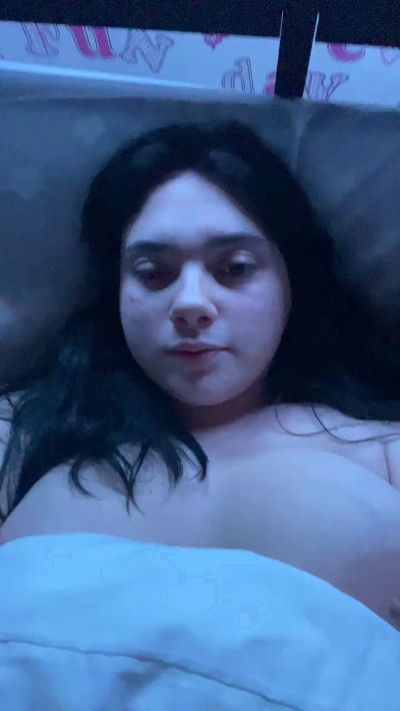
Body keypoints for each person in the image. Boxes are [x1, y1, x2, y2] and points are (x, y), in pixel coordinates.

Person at [1, 120, 400, 626]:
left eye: (235, 268)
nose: (190, 304)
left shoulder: (384, 453)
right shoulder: (20, 436)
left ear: (292, 283)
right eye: (153, 273)